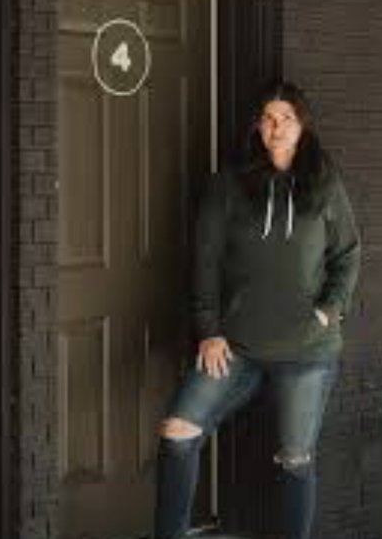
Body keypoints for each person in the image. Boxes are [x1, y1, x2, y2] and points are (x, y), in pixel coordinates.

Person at [153, 81, 361, 539]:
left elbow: (347, 254)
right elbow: (205, 260)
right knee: (178, 432)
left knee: (295, 460)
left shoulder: (324, 183)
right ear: (257, 126)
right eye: (268, 118)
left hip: (306, 351)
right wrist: (209, 329)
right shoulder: (229, 185)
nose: (276, 127)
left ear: (302, 126)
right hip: (237, 346)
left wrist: (329, 309)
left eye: (287, 118)